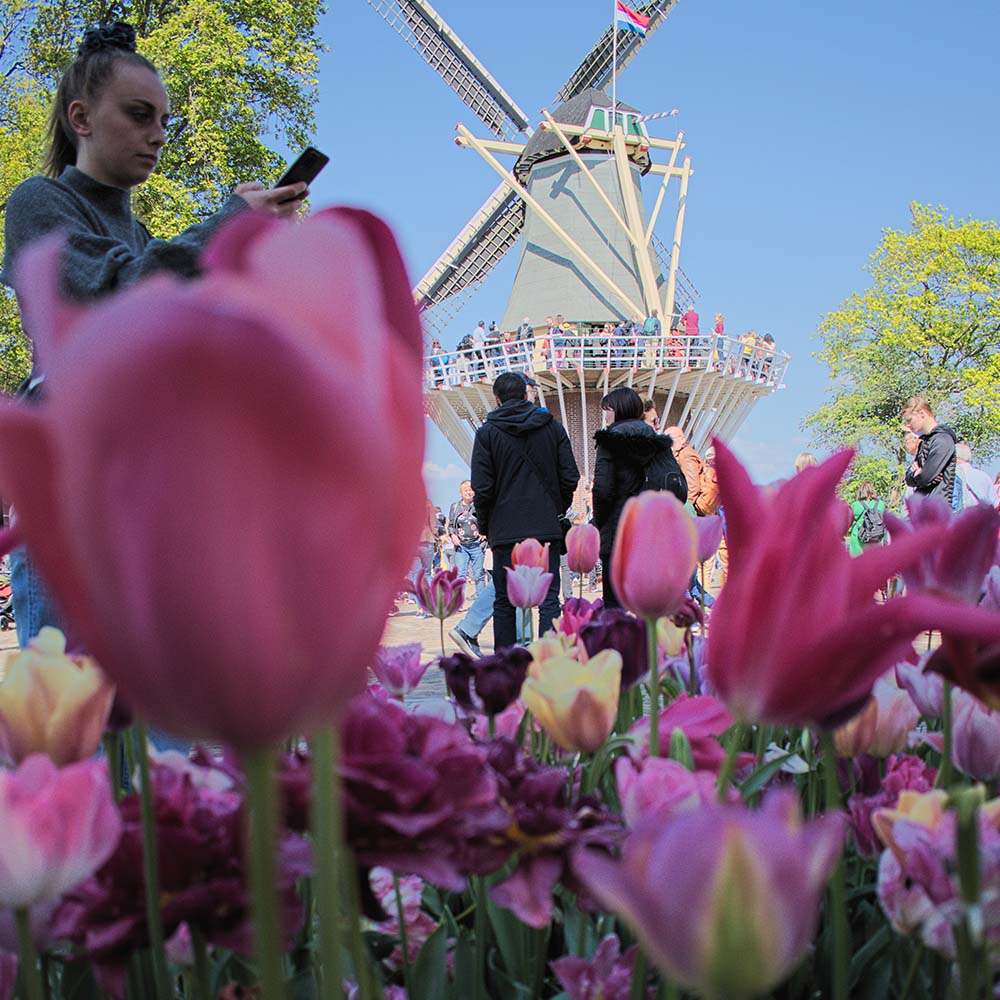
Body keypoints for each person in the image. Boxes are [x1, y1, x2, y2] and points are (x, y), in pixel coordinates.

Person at [1, 22, 304, 649]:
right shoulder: (37, 202)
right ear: (81, 118)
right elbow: (114, 295)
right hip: (68, 498)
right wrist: (220, 231)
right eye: (140, 115)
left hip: (141, 504)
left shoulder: (145, 240)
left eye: (164, 119)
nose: (158, 134)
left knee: (159, 738)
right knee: (71, 725)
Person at [471, 372, 579, 648]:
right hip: (545, 526)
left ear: (497, 399)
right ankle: (548, 662)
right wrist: (557, 507)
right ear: (525, 393)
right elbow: (570, 476)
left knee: (505, 601)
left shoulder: (487, 434)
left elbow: (483, 488)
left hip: (505, 529)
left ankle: (506, 665)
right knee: (549, 599)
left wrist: (486, 525)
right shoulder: (552, 428)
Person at [593, 388, 686, 608]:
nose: (605, 415)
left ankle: (619, 642)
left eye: (607, 410)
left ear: (618, 410)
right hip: (652, 531)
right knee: (648, 605)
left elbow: (603, 490)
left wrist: (600, 522)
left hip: (618, 530)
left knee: (615, 607)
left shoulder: (609, 441)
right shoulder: (658, 444)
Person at [901, 396, 957, 502]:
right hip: (923, 507)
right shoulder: (925, 441)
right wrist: (917, 474)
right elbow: (909, 478)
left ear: (922, 414)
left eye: (910, 420)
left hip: (938, 508)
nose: (908, 425)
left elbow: (925, 477)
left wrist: (921, 475)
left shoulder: (942, 439)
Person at [448, 480, 486, 598]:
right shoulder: (455, 507)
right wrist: (453, 535)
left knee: (478, 574)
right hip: (461, 546)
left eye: (470, 489)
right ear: (461, 493)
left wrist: (485, 533)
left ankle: (481, 600)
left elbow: (487, 520)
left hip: (477, 545)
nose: (469, 492)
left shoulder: (479, 505)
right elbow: (450, 525)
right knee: (460, 575)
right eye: (466, 490)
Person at [664, 425, 704, 512]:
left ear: (682, 439)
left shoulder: (686, 455)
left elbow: (692, 486)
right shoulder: (679, 455)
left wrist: (682, 509)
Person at [955, 442, 999, 508]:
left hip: (962, 515)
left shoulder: (954, 475)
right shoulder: (984, 476)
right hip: (982, 515)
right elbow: (995, 503)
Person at [847, 483, 886, 556]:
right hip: (877, 539)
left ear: (860, 492)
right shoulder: (881, 504)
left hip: (859, 541)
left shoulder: (855, 505)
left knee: (858, 564)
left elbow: (847, 523)